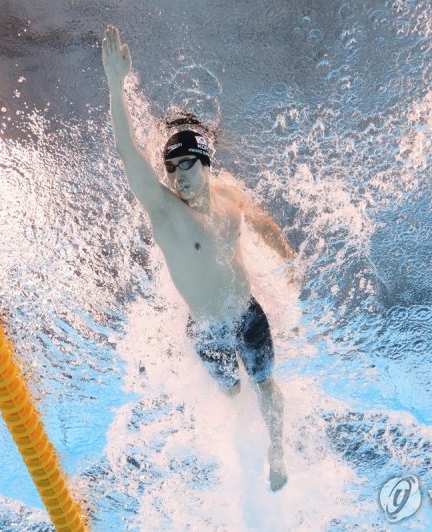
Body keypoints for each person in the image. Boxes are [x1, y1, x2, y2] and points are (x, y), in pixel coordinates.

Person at [102, 25, 295, 491]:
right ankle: (238, 436)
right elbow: (127, 153)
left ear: (205, 164)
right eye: (169, 170)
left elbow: (261, 221)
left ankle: (276, 449)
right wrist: (115, 83)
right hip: (206, 330)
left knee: (265, 384)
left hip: (247, 315)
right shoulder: (167, 214)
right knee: (231, 391)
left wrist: (288, 257)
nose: (175, 178)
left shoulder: (229, 196)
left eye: (184, 166)